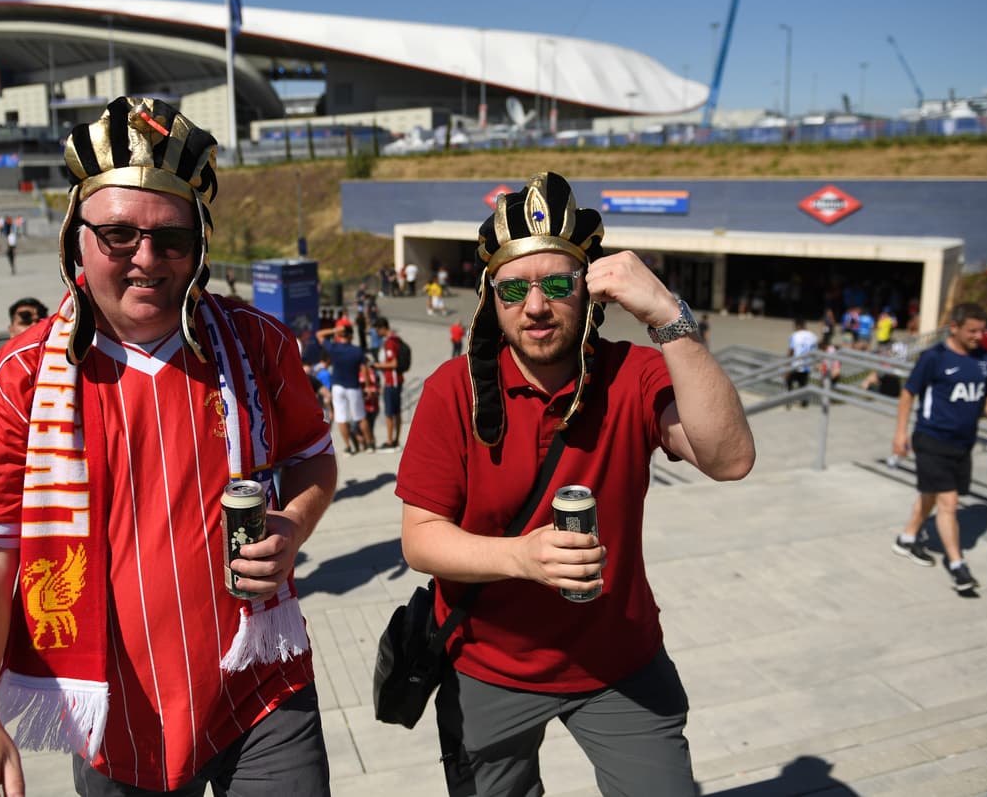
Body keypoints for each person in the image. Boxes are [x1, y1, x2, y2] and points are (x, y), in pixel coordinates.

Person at [0, 97, 337, 797]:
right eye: (118, 234)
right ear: (75, 237)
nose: (146, 258)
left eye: (171, 238)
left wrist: (294, 523)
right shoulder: (19, 381)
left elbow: (313, 457)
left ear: (199, 245)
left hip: (263, 686)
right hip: (116, 720)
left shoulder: (258, 344)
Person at [396, 172, 754, 796]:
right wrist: (521, 556)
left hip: (620, 662)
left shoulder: (633, 374)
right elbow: (421, 541)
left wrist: (669, 315)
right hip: (489, 667)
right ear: (491, 300)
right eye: (513, 291)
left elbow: (730, 459)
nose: (536, 307)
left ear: (588, 292)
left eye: (558, 284)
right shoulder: (452, 390)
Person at [890, 302, 987, 593]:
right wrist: (900, 434)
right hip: (932, 439)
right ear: (954, 328)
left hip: (963, 443)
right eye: (972, 330)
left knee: (931, 495)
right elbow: (908, 394)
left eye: (982, 331)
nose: (978, 337)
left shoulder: (983, 358)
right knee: (949, 503)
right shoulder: (934, 358)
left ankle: (907, 539)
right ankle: (958, 567)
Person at [317, 323, 373, 454]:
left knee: (341, 418)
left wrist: (335, 329)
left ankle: (348, 446)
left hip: (337, 386)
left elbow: (319, 334)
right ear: (351, 336)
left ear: (339, 335)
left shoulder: (334, 348)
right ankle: (369, 443)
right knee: (360, 417)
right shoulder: (357, 350)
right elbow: (364, 369)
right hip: (353, 386)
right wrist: (369, 386)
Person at [370, 316, 405, 450]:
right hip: (397, 380)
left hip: (392, 381)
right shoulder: (396, 339)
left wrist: (377, 365)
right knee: (396, 412)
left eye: (377, 331)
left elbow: (393, 363)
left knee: (390, 413)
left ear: (382, 329)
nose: (377, 334)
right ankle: (395, 439)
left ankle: (390, 441)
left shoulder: (390, 342)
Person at [785, 318, 818, 408]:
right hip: (807, 365)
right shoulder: (813, 336)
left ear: (797, 326)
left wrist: (786, 365)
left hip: (796, 365)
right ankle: (804, 403)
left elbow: (791, 351)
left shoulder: (794, 335)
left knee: (789, 382)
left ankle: (789, 401)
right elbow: (815, 351)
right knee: (803, 384)